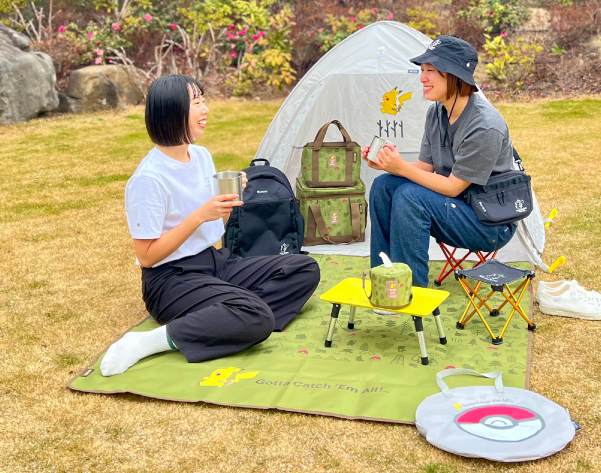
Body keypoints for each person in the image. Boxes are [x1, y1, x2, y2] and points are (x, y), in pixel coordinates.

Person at [100, 75, 320, 376]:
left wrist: (227, 204)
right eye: (197, 102)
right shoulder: (148, 179)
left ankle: (228, 315)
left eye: (203, 100)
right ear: (173, 111)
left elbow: (218, 224)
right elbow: (147, 256)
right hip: (170, 280)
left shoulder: (201, 156)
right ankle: (148, 342)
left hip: (214, 263)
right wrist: (199, 215)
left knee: (303, 268)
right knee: (257, 315)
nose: (206, 109)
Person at [362, 36, 517, 289]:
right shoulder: (437, 112)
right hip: (453, 207)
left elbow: (453, 187)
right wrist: (389, 165)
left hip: (488, 222)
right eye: (422, 70)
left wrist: (401, 168)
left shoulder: (485, 125)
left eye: (430, 71)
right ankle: (386, 281)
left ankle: (412, 293)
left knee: (410, 196)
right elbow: (425, 168)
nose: (422, 78)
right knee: (384, 186)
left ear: (454, 75)